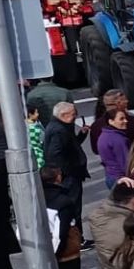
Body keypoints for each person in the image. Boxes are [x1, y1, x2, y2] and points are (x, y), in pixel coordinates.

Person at [40, 101, 89, 236]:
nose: (76, 116)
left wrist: (82, 135)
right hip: (69, 176)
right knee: (74, 206)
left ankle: (78, 236)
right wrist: (64, 173)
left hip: (68, 174)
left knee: (73, 205)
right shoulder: (59, 130)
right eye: (73, 114)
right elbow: (55, 154)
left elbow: (70, 146)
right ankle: (78, 237)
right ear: (64, 114)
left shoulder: (60, 127)